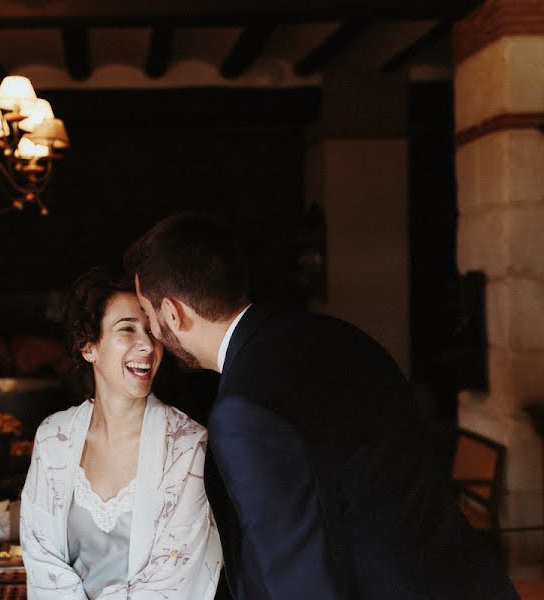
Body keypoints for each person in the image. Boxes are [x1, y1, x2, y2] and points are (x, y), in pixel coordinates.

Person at [125, 212, 519, 600]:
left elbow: (300, 576)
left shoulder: (243, 412)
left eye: (149, 313)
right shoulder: (340, 335)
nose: (150, 331)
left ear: (173, 313)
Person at [20, 267, 222, 599]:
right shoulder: (52, 438)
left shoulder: (187, 446)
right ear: (88, 346)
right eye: (126, 329)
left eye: (151, 330)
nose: (146, 345)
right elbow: (42, 558)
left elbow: (172, 580)